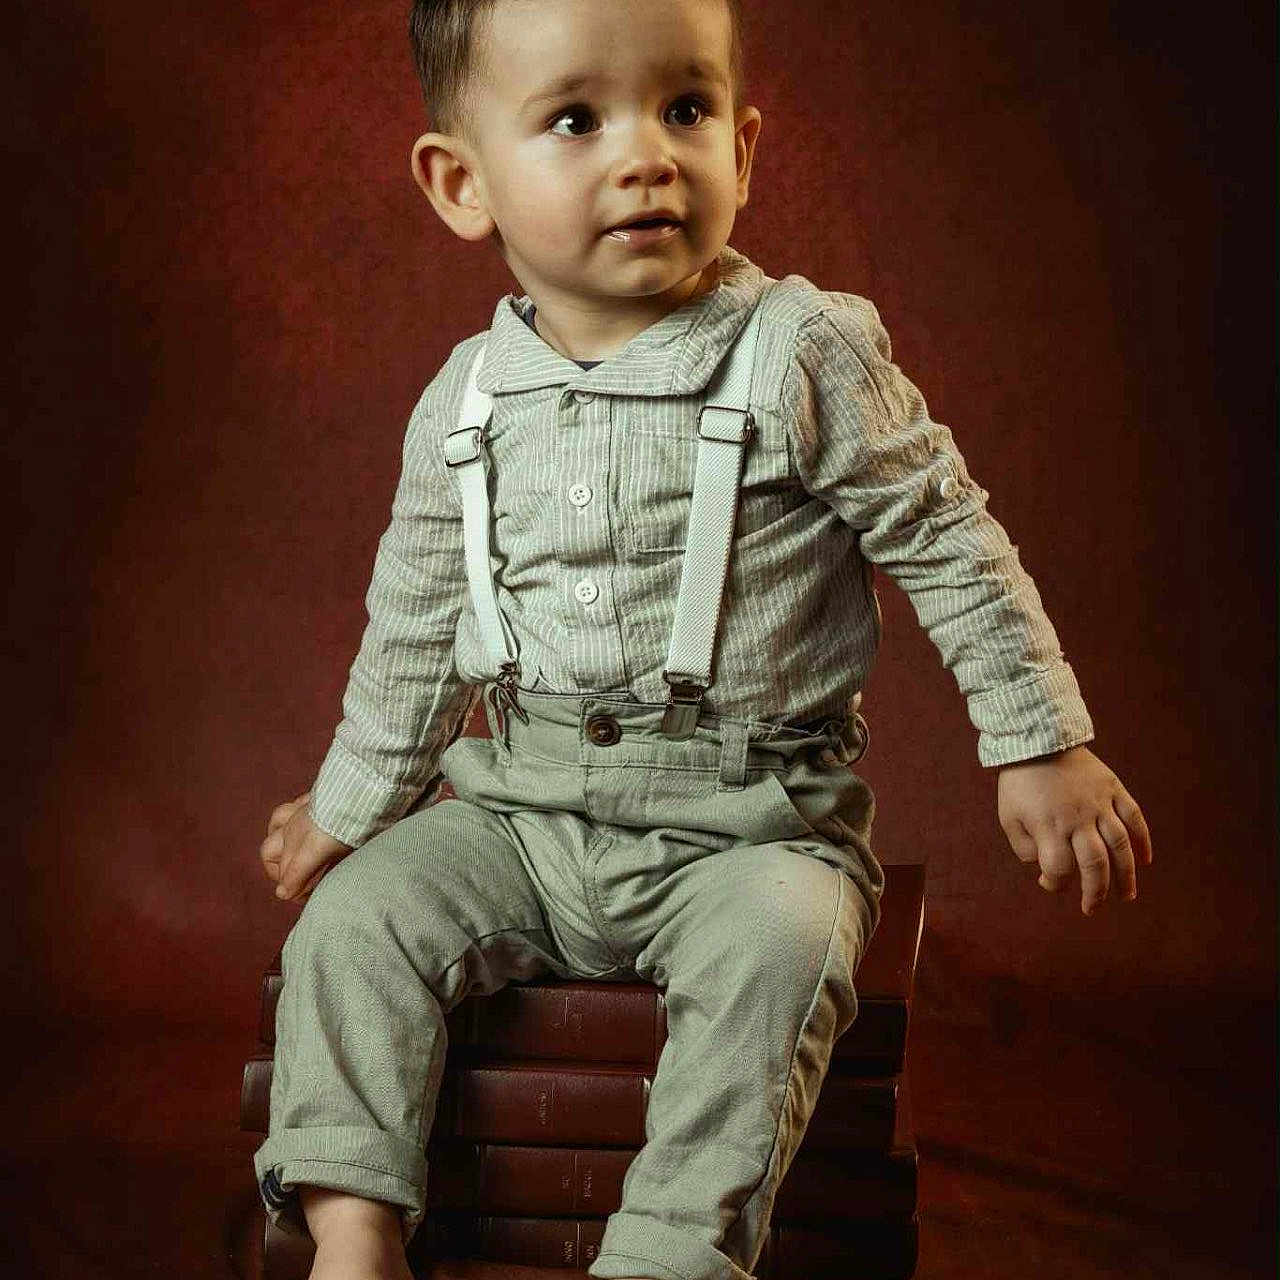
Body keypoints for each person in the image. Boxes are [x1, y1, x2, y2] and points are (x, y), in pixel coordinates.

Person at [254, 1, 1154, 1277]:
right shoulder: (462, 399)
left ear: (744, 145)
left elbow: (945, 537)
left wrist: (1037, 739)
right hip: (519, 809)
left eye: (683, 110)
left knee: (781, 951)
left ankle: (669, 1249)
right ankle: (354, 1227)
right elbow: (414, 624)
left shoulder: (800, 351)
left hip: (750, 820)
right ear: (462, 184)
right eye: (576, 118)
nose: (646, 155)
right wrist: (353, 798)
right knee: (352, 922)